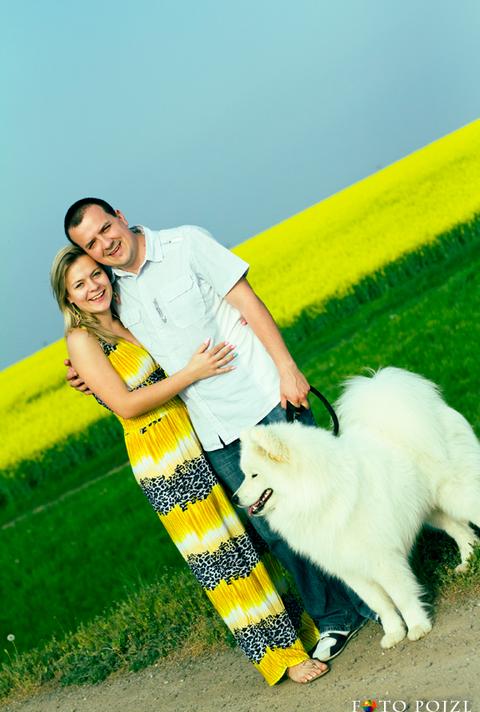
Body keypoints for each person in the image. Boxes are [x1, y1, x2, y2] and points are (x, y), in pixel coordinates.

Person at [63, 198, 375, 662]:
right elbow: (117, 355)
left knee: (325, 502)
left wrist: (288, 369)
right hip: (214, 433)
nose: (104, 244)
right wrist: (84, 376)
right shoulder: (115, 295)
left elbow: (247, 301)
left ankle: (377, 596)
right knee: (277, 531)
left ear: (121, 218)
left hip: (264, 398)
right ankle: (334, 617)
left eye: (106, 228)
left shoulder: (186, 243)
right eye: (91, 243)